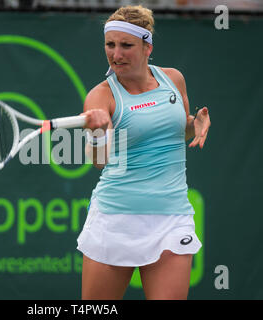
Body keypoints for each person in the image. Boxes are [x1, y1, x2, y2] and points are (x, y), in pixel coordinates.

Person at [77, 5, 211, 300]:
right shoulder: (101, 96)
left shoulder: (173, 80)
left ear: (147, 46)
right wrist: (98, 134)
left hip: (171, 216)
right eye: (110, 45)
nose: (116, 54)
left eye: (126, 45)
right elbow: (98, 162)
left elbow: (175, 131)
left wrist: (194, 124)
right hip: (116, 218)